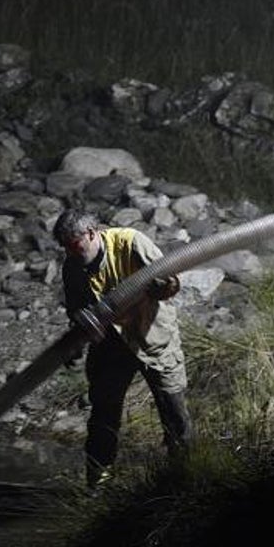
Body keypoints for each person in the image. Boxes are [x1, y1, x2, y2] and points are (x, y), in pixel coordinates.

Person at [52, 207, 193, 489]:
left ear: (91, 233)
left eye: (74, 244)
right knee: (103, 417)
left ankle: (185, 480)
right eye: (65, 247)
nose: (70, 252)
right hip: (110, 346)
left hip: (152, 337)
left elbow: (172, 283)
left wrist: (160, 285)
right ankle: (98, 484)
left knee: (174, 413)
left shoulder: (131, 242)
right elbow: (76, 311)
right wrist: (77, 337)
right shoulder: (72, 267)